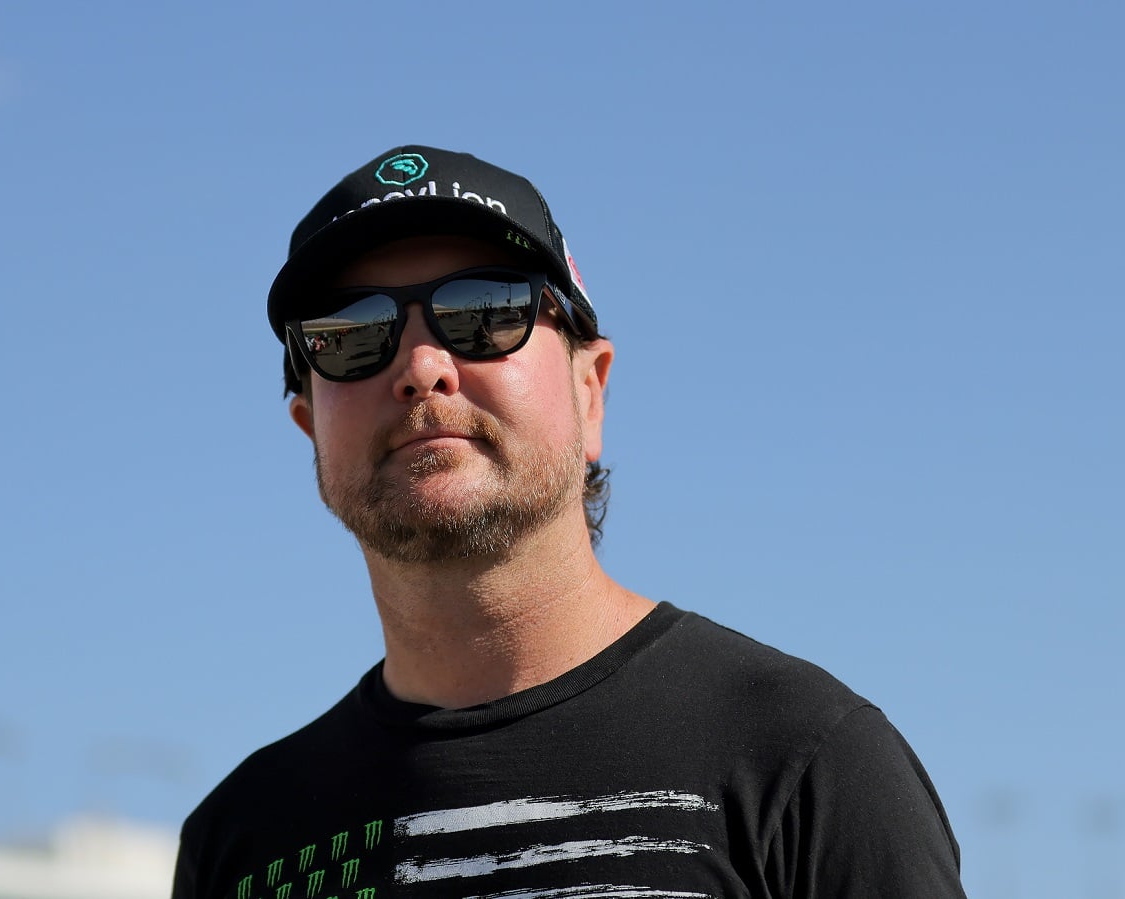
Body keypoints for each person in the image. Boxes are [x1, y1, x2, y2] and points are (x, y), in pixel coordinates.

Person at [172, 146, 965, 899]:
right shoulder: (246, 842)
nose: (422, 368)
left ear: (592, 392)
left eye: (485, 311)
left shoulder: (806, 763)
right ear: (311, 426)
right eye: (350, 336)